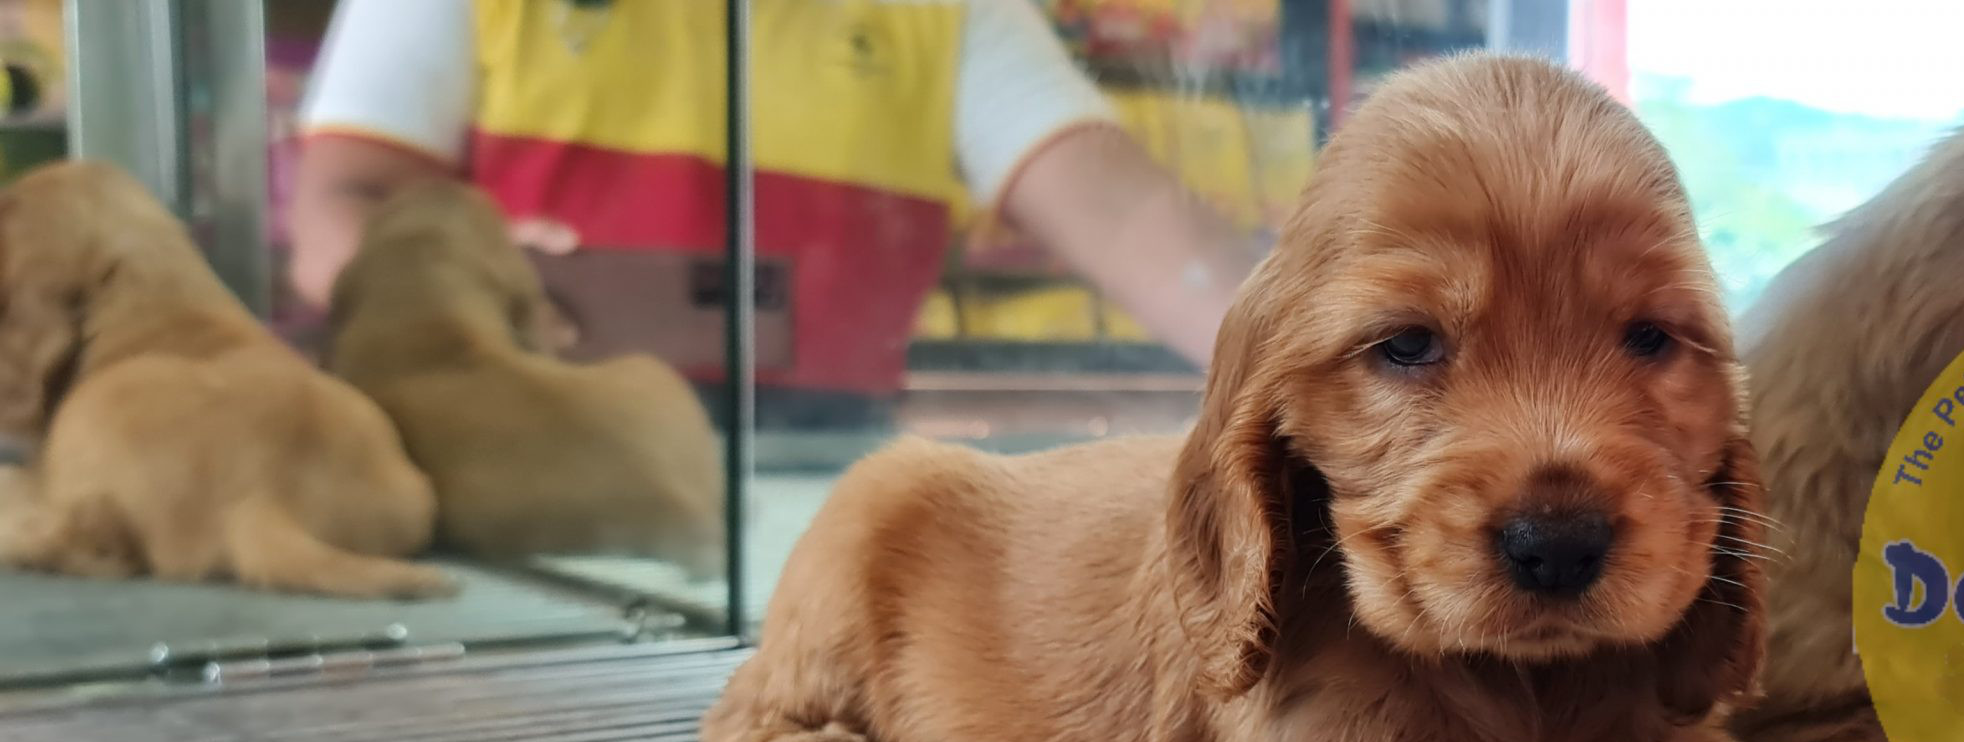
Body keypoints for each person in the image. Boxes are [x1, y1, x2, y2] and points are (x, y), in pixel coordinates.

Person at [288, 0, 1259, 394]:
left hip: (810, 488)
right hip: (520, 457)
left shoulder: (948, 9)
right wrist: (465, 281)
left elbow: (1134, 222)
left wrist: (1332, 350)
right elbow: (337, 207)